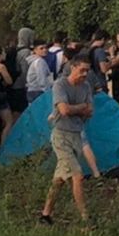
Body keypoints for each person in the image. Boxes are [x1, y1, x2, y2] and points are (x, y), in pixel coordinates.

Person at [41, 54, 97, 226]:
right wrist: (80, 108)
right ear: (73, 67)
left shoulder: (86, 86)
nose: (84, 74)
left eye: (87, 71)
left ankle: (45, 215)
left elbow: (90, 111)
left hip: (76, 135)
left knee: (58, 179)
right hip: (61, 135)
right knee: (77, 175)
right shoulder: (60, 85)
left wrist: (78, 110)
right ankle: (85, 218)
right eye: (82, 70)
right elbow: (64, 110)